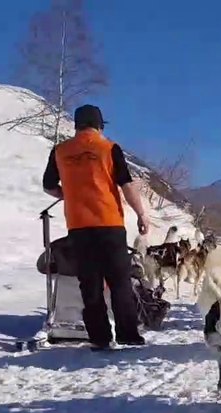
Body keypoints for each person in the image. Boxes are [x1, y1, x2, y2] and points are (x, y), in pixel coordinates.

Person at [42, 104, 151, 350]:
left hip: (79, 226)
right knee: (119, 281)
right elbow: (127, 185)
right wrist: (142, 214)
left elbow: (48, 185)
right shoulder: (109, 148)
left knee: (89, 284)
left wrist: (69, 194)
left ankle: (99, 338)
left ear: (76, 125)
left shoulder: (60, 151)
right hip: (109, 224)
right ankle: (127, 335)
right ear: (100, 125)